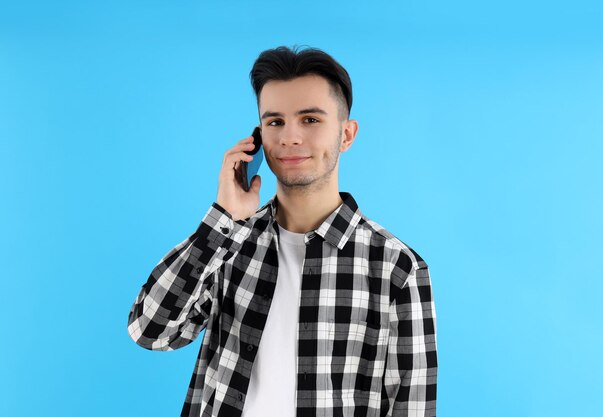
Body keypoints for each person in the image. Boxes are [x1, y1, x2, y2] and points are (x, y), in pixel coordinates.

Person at [127, 45, 437, 417]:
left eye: (310, 120)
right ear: (257, 137)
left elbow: (411, 405)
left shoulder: (396, 267)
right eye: (275, 122)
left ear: (347, 134)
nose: (289, 138)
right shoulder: (229, 241)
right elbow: (151, 330)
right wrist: (224, 217)